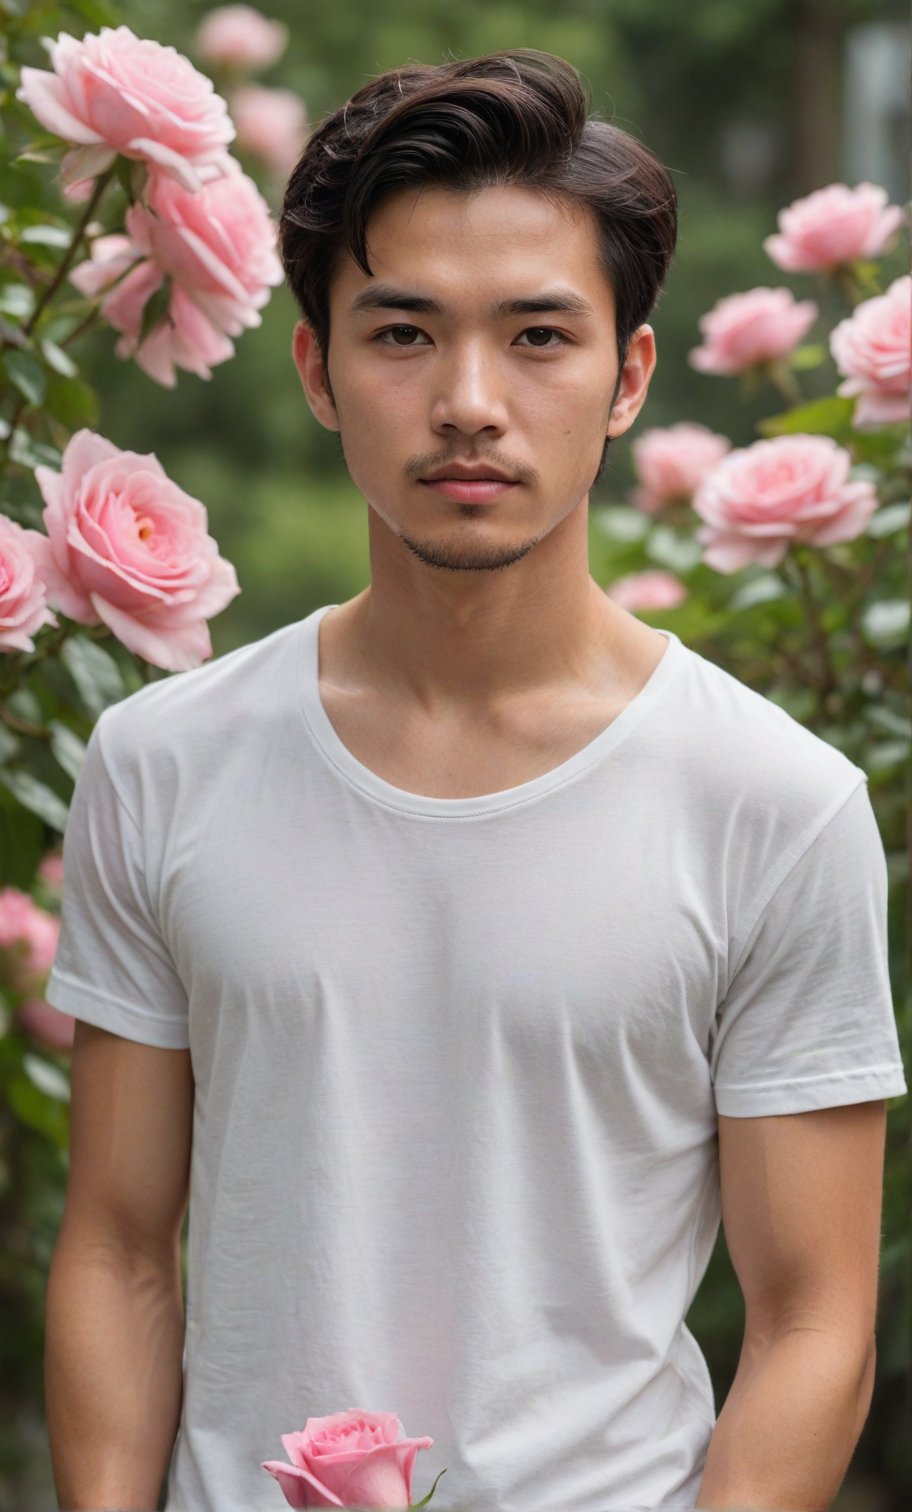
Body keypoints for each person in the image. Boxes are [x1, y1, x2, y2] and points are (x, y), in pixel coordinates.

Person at [44, 47, 906, 1512]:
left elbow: (817, 1321)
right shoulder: (161, 762)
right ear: (316, 366)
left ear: (629, 376)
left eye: (538, 337)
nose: (467, 401)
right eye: (402, 334)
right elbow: (120, 1249)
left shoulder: (775, 803)